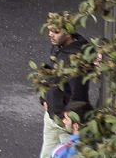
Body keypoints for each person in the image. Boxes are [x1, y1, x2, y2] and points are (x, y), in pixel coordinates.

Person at [40, 18, 91, 157]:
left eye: (56, 32)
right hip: (52, 114)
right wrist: (44, 98)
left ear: (68, 34)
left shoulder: (75, 59)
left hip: (65, 122)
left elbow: (78, 94)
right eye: (50, 30)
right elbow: (51, 73)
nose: (50, 34)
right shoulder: (59, 47)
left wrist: (71, 119)